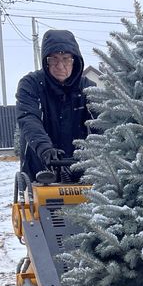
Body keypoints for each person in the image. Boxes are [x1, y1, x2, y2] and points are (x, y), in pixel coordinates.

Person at [16, 29, 95, 182]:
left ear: (75, 60)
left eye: (66, 59)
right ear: (46, 61)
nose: (60, 66)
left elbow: (102, 124)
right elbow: (29, 119)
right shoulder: (31, 85)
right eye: (54, 59)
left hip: (82, 170)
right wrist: (45, 149)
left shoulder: (88, 89)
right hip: (40, 170)